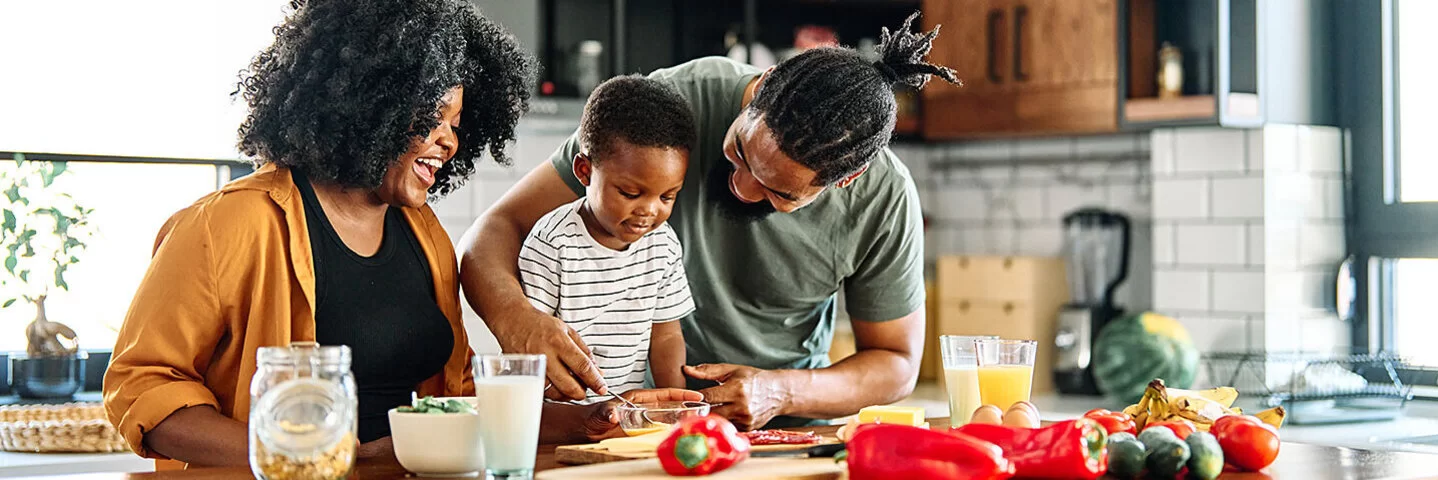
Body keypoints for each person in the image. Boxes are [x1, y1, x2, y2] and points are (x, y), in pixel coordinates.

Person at [102, 0, 693, 468]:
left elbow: (458, 401)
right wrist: (319, 458)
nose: (450, 141)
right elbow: (142, 387)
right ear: (364, 105)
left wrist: (591, 416)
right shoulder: (227, 225)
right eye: (430, 120)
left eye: (456, 125)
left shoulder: (424, 233)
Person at [460, 12, 960, 430]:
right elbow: (494, 231)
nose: (742, 186)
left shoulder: (884, 198)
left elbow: (896, 364)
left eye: (779, 192)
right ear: (761, 86)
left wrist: (780, 391)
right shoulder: (670, 106)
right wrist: (518, 322)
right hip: (626, 423)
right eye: (740, 152)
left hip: (774, 435)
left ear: (844, 181)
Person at [519, 75, 697, 404]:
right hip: (559, 416)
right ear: (584, 171)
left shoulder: (663, 244)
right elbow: (528, 348)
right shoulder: (552, 243)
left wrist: (677, 407)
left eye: (668, 197)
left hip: (627, 414)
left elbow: (667, 336)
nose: (649, 211)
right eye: (630, 193)